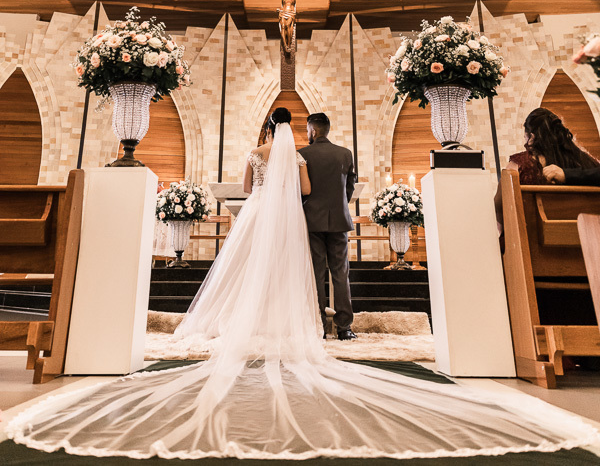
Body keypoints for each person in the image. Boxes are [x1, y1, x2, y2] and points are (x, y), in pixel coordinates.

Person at [7, 109, 600, 459]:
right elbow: (316, 192)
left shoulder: (259, 151)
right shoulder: (317, 155)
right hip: (316, 220)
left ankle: (270, 320)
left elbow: (244, 188)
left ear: (272, 128)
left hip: (262, 218)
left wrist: (266, 201)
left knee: (261, 273)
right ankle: (333, 325)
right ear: (306, 130)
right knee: (324, 274)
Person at [495, 107, 600, 232]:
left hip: (529, 242)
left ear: (532, 137)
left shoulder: (518, 166)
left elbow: (499, 205)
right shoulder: (586, 163)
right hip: (583, 241)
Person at [299, 112, 356, 340]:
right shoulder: (345, 153)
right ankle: (344, 328)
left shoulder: (302, 154)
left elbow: (299, 188)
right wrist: (338, 205)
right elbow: (349, 187)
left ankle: (319, 327)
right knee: (340, 274)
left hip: (312, 221)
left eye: (307, 130)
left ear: (312, 130)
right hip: (339, 220)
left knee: (315, 274)